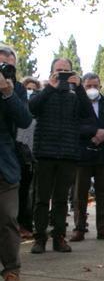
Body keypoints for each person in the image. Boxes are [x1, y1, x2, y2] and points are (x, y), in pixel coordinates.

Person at [29, 57, 84, 254]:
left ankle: (59, 237)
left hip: (68, 154)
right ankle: (40, 238)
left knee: (61, 200)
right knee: (41, 199)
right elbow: (32, 109)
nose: (61, 73)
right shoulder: (43, 93)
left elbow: (87, 114)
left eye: (65, 70)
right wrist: (49, 88)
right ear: (51, 72)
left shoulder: (75, 95)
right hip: (45, 153)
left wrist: (79, 88)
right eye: (58, 70)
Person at [71, 73, 104, 241]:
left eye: (95, 86)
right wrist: (93, 132)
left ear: (100, 87)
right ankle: (79, 228)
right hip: (84, 152)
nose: (92, 89)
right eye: (88, 86)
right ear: (83, 87)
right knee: (80, 192)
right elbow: (73, 124)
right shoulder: (77, 103)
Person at [0, 44, 33, 281]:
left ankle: (12, 272)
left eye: (9, 64)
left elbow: (24, 119)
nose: (5, 66)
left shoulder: (16, 89)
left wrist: (7, 92)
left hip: (5, 164)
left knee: (8, 218)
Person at [16, 76, 39, 236]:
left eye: (34, 89)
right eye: (28, 88)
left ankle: (25, 224)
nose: (31, 91)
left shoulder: (37, 112)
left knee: (27, 192)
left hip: (30, 156)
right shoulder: (16, 108)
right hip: (14, 152)